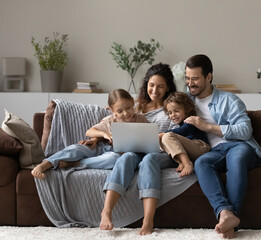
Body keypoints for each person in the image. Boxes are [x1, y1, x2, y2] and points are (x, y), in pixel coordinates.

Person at [183, 54, 261, 239]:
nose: (190, 83)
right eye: (187, 79)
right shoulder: (186, 102)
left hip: (239, 146)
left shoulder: (229, 100)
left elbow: (245, 130)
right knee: (202, 164)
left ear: (209, 77)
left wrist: (208, 127)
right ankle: (225, 214)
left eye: (195, 78)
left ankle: (231, 220)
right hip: (215, 152)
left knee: (235, 159)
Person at [100, 63, 177, 235]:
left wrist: (158, 136)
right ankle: (106, 211)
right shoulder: (137, 107)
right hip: (136, 149)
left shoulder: (172, 106)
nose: (155, 90)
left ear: (168, 88)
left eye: (160, 86)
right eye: (151, 85)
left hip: (161, 151)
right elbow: (116, 120)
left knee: (149, 159)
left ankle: (148, 220)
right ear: (146, 84)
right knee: (126, 157)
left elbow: (176, 133)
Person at [31, 89, 147, 179]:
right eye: (120, 111)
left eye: (128, 108)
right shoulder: (111, 120)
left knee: (113, 159)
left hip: (116, 153)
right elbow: (89, 132)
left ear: (133, 103)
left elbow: (148, 137)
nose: (126, 113)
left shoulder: (141, 119)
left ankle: (75, 163)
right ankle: (45, 164)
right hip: (102, 147)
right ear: (112, 110)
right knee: (77, 148)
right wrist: (105, 135)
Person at [159, 92, 210, 177]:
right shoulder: (181, 122)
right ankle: (181, 161)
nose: (173, 115)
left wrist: (164, 133)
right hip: (191, 149)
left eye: (176, 111)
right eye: (170, 113)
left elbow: (182, 131)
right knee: (162, 140)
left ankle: (187, 164)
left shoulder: (191, 120)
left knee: (167, 136)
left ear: (186, 109)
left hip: (201, 146)